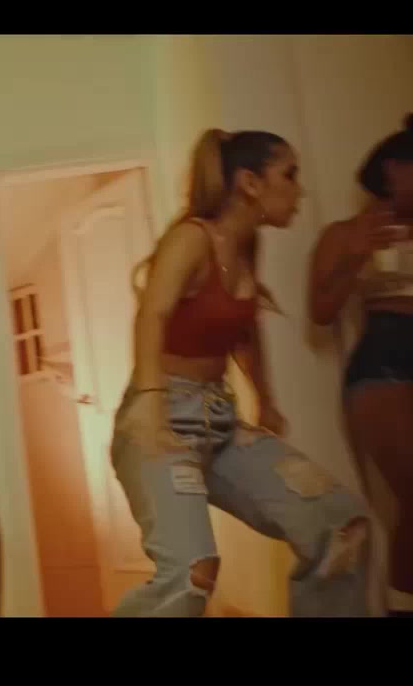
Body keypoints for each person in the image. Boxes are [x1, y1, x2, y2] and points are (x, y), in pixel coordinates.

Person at [113, 128, 371, 617]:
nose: (299, 190)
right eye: (289, 175)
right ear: (250, 183)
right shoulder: (192, 238)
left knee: (341, 523)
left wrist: (265, 400)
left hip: (221, 421)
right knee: (192, 574)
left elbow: (245, 332)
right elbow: (152, 314)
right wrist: (150, 403)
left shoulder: (248, 245)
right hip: (163, 420)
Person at [309, 115, 413, 618]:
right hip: (386, 362)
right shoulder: (346, 233)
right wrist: (356, 257)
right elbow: (320, 310)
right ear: (392, 170)